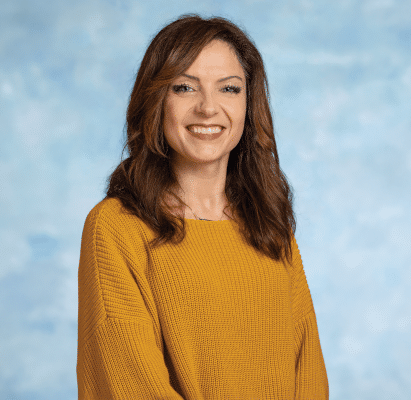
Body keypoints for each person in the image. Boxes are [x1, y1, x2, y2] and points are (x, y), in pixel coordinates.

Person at [77, 14, 329, 399]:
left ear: (249, 102)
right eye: (184, 88)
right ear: (156, 100)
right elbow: (130, 384)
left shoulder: (269, 222)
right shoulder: (116, 227)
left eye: (229, 88)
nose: (208, 108)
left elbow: (308, 369)